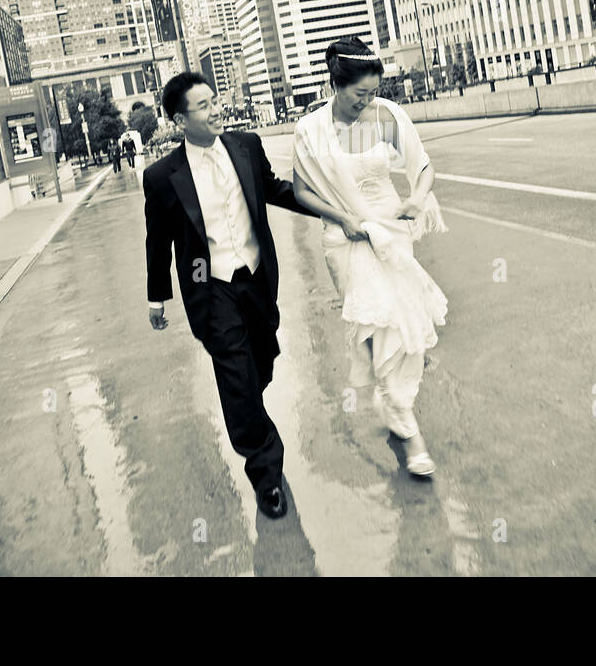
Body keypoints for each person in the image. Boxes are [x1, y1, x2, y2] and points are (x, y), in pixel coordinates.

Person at [142, 72, 315, 518]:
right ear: (181, 120)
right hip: (211, 287)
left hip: (257, 278)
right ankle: (266, 474)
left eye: (215, 100)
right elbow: (158, 241)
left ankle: (251, 411)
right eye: (203, 105)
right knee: (236, 380)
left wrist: (323, 206)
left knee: (258, 365)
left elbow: (273, 190)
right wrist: (157, 295)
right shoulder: (162, 177)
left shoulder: (246, 145)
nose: (216, 108)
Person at [292, 37, 448, 477]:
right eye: (360, 94)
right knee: (373, 331)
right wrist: (342, 217)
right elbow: (302, 191)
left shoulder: (387, 115)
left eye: (373, 91)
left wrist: (417, 199)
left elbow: (422, 167)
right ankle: (395, 404)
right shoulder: (311, 129)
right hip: (345, 241)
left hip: (392, 236)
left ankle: (406, 422)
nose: (368, 101)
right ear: (335, 85)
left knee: (400, 328)